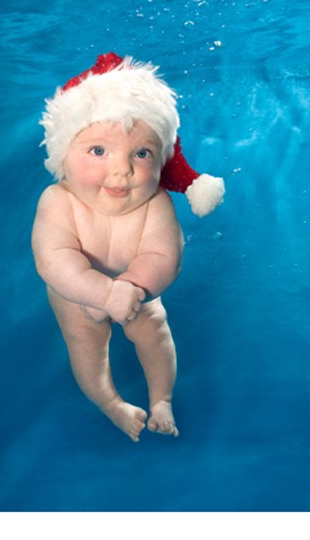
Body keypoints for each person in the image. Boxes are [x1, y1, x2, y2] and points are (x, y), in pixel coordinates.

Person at [32, 53, 224, 442]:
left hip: (136, 290)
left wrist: (129, 287)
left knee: (155, 331)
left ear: (161, 161)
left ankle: (161, 401)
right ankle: (111, 403)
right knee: (85, 344)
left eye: (141, 153)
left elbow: (165, 257)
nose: (122, 169)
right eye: (98, 151)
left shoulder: (155, 203)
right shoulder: (58, 200)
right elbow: (53, 259)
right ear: (64, 154)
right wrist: (100, 293)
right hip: (75, 296)